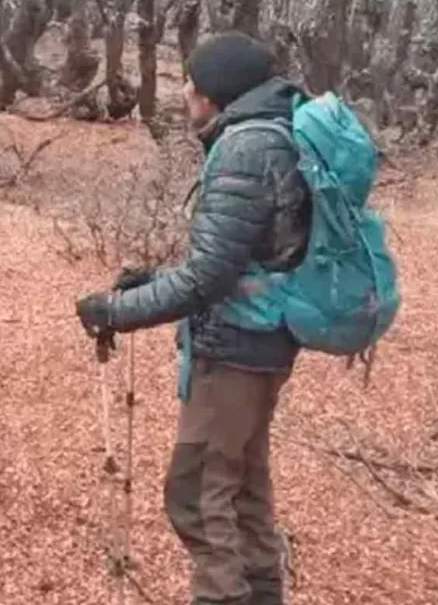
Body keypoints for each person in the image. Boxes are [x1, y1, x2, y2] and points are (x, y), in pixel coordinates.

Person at [75, 31, 312, 605]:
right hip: (264, 338)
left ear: (213, 94)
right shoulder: (270, 135)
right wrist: (154, 281)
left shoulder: (243, 149)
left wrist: (117, 311)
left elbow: (210, 280)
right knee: (244, 489)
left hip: (236, 347)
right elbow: (236, 258)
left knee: (198, 495)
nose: (184, 92)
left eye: (191, 82)